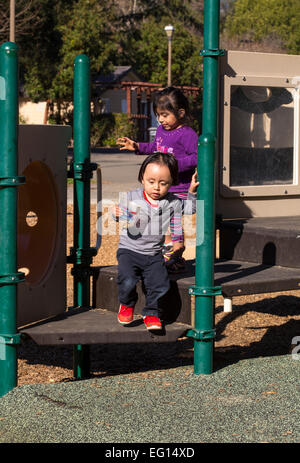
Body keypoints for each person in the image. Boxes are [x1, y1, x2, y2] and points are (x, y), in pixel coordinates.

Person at [112, 152, 198, 331]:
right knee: (127, 280)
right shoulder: (132, 196)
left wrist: (191, 192)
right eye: (151, 182)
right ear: (142, 178)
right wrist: (116, 213)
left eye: (163, 183)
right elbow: (117, 213)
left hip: (153, 254)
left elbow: (190, 209)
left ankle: (151, 312)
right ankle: (127, 304)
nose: (156, 188)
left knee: (160, 284)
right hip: (129, 250)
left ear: (172, 183)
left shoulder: (172, 202)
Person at [117, 86, 198, 273]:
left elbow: (197, 157)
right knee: (159, 220)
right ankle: (173, 255)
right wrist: (137, 146)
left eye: (164, 115)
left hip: (178, 186)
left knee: (172, 216)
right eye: (158, 115)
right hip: (160, 187)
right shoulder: (161, 130)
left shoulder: (187, 134)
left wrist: (174, 165)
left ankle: (176, 247)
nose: (160, 120)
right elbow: (155, 147)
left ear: (180, 113)